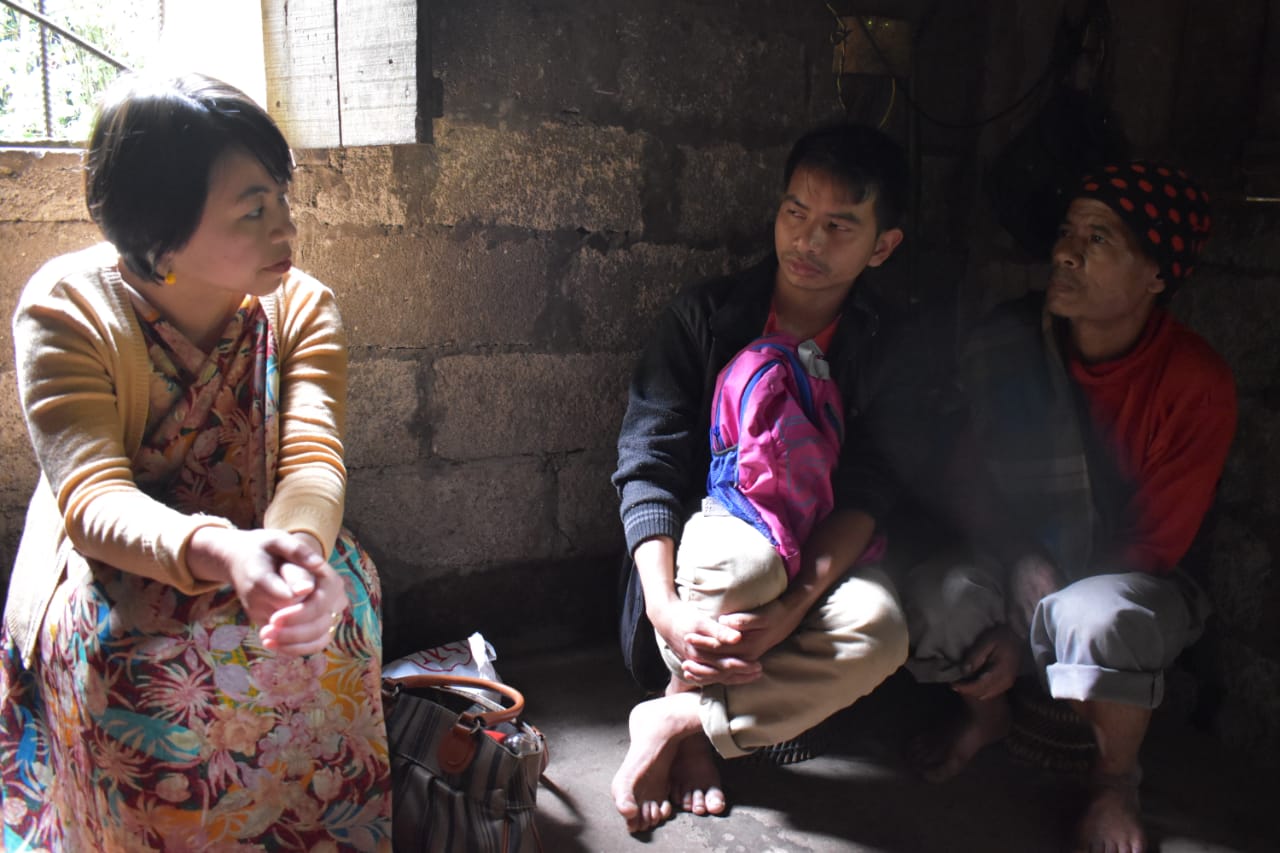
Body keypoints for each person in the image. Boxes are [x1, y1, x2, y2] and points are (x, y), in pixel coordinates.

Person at [0, 73, 392, 850]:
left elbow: (313, 459)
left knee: (346, 605)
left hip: (268, 541)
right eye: (253, 209)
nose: (286, 229)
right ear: (160, 234)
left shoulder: (302, 306)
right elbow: (94, 498)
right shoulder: (66, 310)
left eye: (282, 198)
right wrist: (220, 551)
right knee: (133, 669)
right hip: (114, 569)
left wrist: (302, 554)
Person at [611, 123, 938, 833]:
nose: (807, 242)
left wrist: (798, 604)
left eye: (838, 226)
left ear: (882, 245)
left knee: (881, 631)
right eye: (796, 213)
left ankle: (682, 721)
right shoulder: (706, 316)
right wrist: (664, 605)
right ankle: (699, 711)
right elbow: (649, 463)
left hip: (811, 572)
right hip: (701, 585)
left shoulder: (887, 349)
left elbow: (869, 491)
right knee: (746, 559)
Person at [904, 162, 1235, 853]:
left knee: (1097, 618)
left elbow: (1153, 546)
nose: (1064, 252)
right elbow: (968, 482)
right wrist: (1021, 559)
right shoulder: (1012, 342)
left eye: (1098, 239)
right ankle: (988, 714)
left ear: (1156, 275)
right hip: (1019, 558)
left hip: (1130, 582)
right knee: (942, 595)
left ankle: (1115, 783)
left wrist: (1032, 631)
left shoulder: (1194, 382)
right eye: (1066, 232)